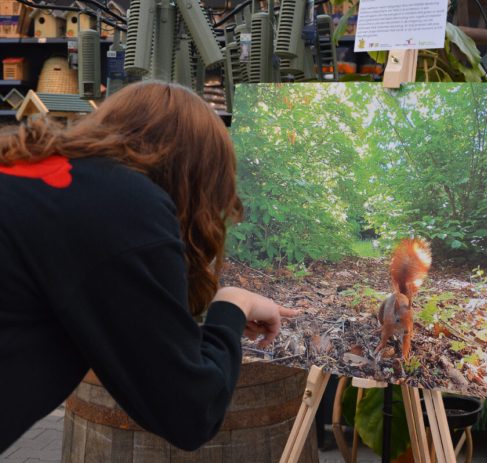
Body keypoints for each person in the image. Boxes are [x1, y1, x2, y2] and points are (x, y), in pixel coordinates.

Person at [0, 81, 293, 452]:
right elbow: (189, 411)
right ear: (196, 176)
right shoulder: (122, 203)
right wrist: (233, 304)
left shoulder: (44, 176)